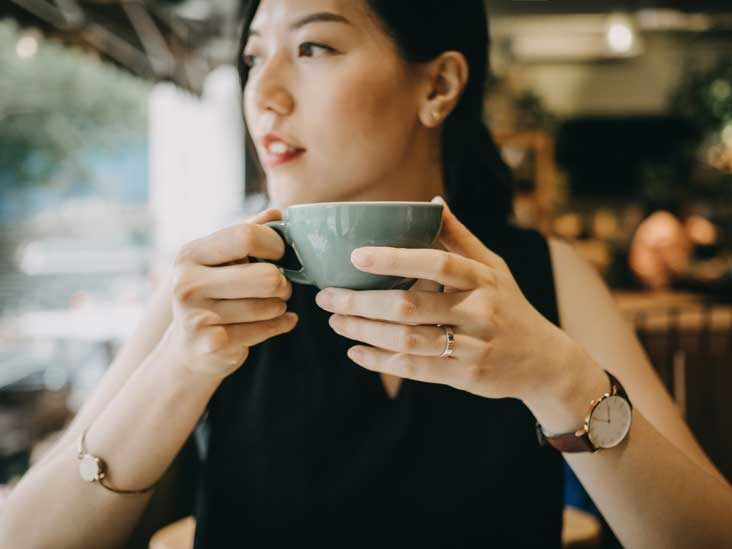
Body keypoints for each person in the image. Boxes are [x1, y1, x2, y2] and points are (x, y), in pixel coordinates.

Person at [2, 1, 731, 547]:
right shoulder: (212, 285)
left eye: (314, 46)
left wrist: (560, 380)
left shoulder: (541, 276)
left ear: (439, 87)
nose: (264, 95)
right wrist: (174, 372)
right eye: (255, 58)